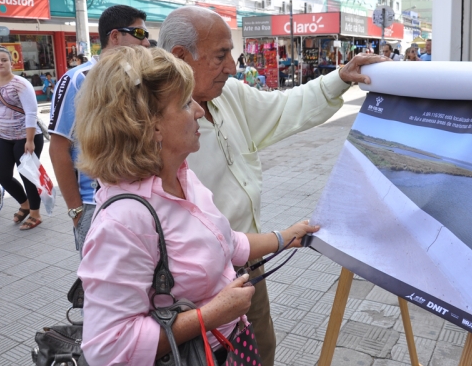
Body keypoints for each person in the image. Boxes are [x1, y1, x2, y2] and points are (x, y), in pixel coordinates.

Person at [158, 5, 388, 366]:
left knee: (260, 349)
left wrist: (340, 77)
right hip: (191, 284)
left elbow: (285, 107)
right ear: (180, 58)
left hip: (247, 260)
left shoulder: (228, 95)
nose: (232, 67)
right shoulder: (151, 131)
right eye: (221, 56)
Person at [74, 46, 319, 365]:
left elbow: (227, 242)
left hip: (230, 347)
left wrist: (286, 237)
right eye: (186, 103)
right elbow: (107, 349)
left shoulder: (182, 176)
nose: (200, 112)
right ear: (152, 125)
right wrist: (211, 315)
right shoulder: (125, 220)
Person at [49, 5, 151, 254]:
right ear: (114, 36)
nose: (147, 42)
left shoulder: (139, 79)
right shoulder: (78, 79)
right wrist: (77, 213)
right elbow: (58, 148)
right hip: (95, 205)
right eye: (139, 34)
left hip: (140, 198)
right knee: (102, 286)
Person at [0, 46, 44, 230]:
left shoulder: (21, 83)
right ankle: (24, 204)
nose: (0, 63)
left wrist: (29, 140)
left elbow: (31, 112)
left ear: (11, 62)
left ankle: (35, 213)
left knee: (27, 175)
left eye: (4, 59)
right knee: (1, 174)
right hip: (4, 136)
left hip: (26, 137)